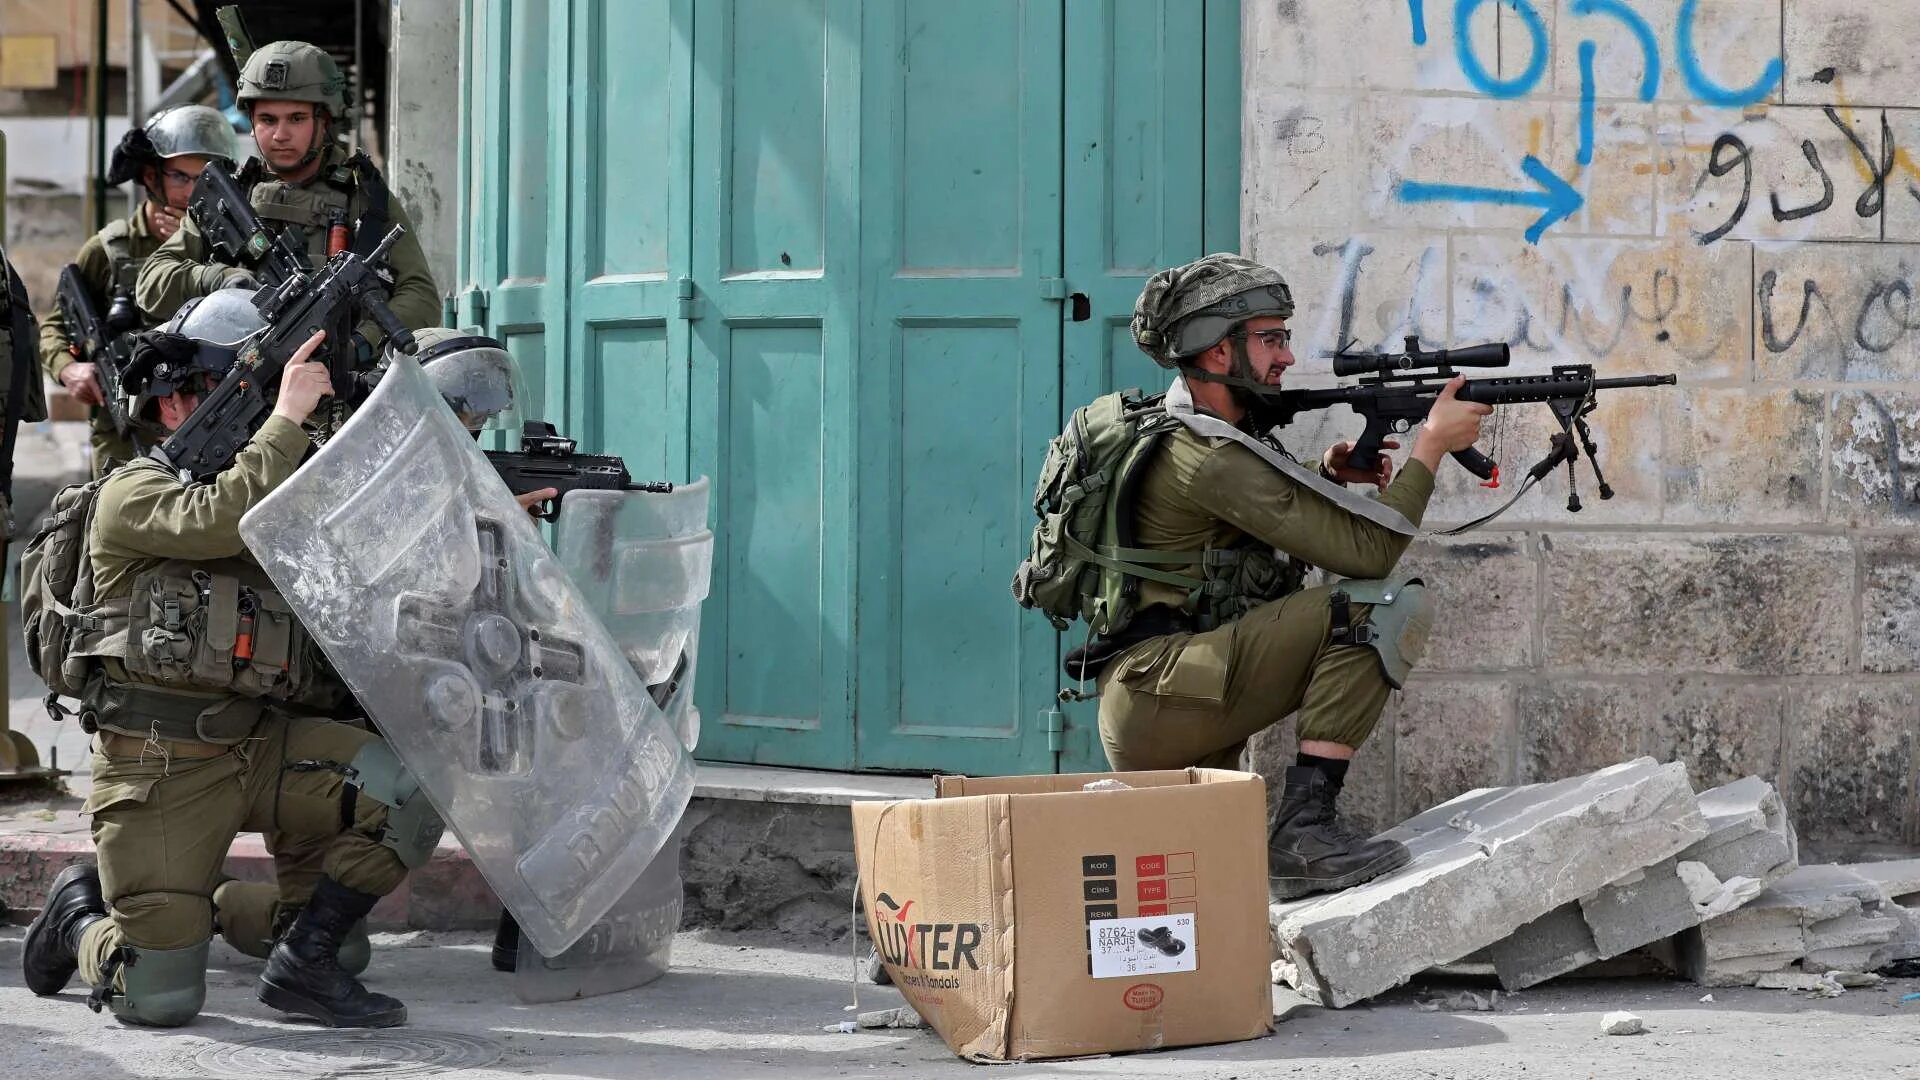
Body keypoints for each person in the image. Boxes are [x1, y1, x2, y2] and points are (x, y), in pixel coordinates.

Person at [20, 297, 445, 1028]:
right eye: (225, 397)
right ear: (175, 400)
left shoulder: (276, 484)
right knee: (157, 1000)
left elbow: (373, 536)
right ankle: (81, 919)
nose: (248, 417)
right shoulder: (131, 492)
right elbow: (220, 517)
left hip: (263, 745)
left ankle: (301, 957)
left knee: (409, 797)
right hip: (162, 766)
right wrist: (284, 420)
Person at [1078, 253, 1487, 900]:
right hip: (1168, 696)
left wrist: (1325, 476)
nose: (1287, 358)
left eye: (1284, 338)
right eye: (1270, 339)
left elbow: (1231, 529)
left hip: (1169, 689)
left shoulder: (1207, 433)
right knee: (1379, 604)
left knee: (1179, 895)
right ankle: (1304, 832)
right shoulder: (1206, 455)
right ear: (1217, 354)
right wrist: (1430, 449)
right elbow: (1371, 555)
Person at [136, 40, 438, 351]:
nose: (280, 135)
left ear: (324, 122)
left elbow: (420, 294)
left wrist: (360, 346)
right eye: (268, 120)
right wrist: (218, 278)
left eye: (296, 118)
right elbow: (150, 283)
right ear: (252, 122)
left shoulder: (364, 200)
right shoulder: (230, 199)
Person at [39, 106, 238, 475]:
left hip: (209, 426)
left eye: (206, 179)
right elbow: (55, 326)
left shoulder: (228, 248)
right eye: (181, 177)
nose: (193, 192)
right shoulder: (112, 250)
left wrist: (196, 245)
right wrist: (69, 369)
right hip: (123, 433)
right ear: (151, 176)